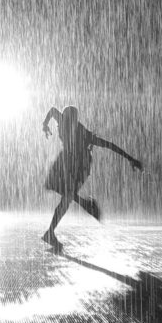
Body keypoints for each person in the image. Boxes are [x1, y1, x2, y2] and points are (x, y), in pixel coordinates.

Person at [41, 105, 142, 250]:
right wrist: (45, 124)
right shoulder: (64, 121)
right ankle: (81, 208)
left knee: (66, 197)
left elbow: (108, 145)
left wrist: (130, 158)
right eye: (67, 121)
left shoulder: (82, 133)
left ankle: (79, 210)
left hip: (80, 166)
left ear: (75, 121)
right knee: (65, 196)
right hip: (66, 162)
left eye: (72, 122)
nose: (68, 125)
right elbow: (51, 110)